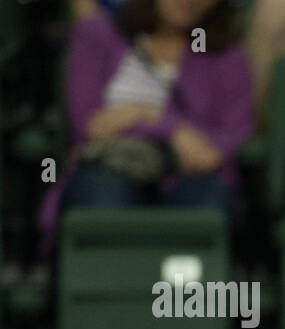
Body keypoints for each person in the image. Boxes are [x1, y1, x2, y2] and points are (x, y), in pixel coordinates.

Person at [53, 0, 253, 217]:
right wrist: (171, 130)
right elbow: (90, 127)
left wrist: (131, 116)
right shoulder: (99, 34)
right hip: (110, 167)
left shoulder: (227, 56)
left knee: (205, 204)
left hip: (193, 176)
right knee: (105, 198)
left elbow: (225, 142)